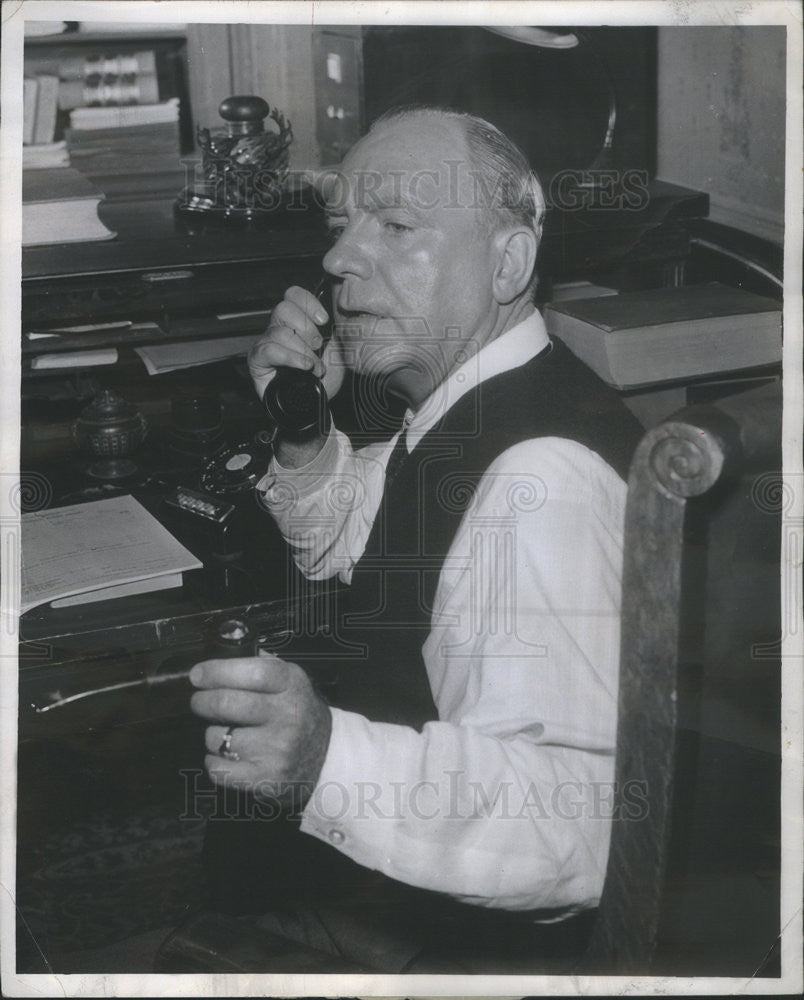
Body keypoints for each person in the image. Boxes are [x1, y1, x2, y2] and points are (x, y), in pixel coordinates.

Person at [187, 106, 644, 972]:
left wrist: (324, 757)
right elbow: (363, 541)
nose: (336, 260)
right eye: (340, 225)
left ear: (509, 263)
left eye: (396, 225)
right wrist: (303, 435)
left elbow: (585, 826)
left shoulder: (534, 484)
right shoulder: (470, 403)